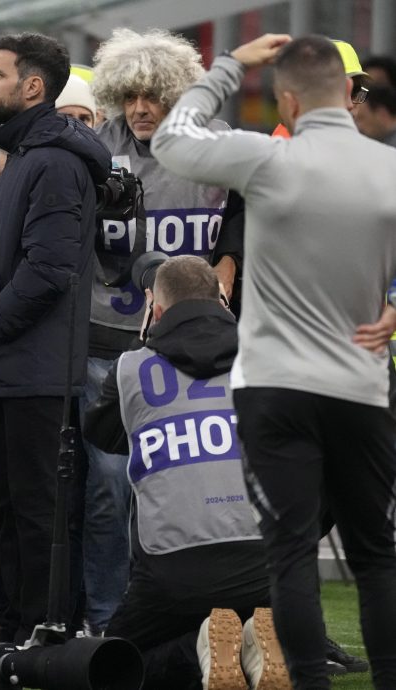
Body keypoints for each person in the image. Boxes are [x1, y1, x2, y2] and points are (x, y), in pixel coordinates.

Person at [152, 33, 396, 690]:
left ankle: (306, 683)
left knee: (289, 551)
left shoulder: (265, 159)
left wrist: (230, 64)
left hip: (273, 387)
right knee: (375, 556)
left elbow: (170, 137)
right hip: (358, 386)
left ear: (285, 100)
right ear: (349, 94)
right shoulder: (385, 168)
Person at [80, 27, 245, 634]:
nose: (142, 108)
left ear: (180, 94)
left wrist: (229, 260)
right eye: (132, 96)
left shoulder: (219, 145)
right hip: (112, 333)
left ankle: (203, 617)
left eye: (155, 96)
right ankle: (106, 617)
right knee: (107, 487)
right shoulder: (94, 149)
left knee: (194, 479)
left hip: (196, 342)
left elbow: (247, 213)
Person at [0, 32, 111, 643]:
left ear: (33, 86)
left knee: (36, 514)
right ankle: (11, 630)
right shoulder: (23, 156)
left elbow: (50, 268)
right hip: (5, 370)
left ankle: (41, 636)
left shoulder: (53, 161)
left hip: (34, 375)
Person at [84, 255, 280, 690]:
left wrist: (145, 343)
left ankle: (200, 652)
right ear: (223, 302)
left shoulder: (131, 368)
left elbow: (103, 434)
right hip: (266, 566)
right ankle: (251, 645)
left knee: (110, 664)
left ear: (155, 311)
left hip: (172, 570)